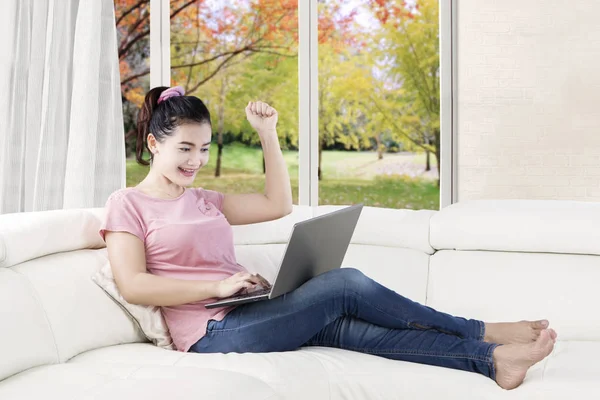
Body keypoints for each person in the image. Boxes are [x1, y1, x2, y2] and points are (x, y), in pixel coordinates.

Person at [99, 86, 557, 391]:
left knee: (355, 331)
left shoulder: (204, 198)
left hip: (246, 310)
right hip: (207, 331)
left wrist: (267, 135)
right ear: (154, 144)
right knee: (343, 284)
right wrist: (215, 288)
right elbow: (134, 284)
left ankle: (492, 361)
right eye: (184, 148)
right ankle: (481, 329)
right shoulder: (128, 204)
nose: (195, 160)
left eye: (202, 148)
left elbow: (277, 203)